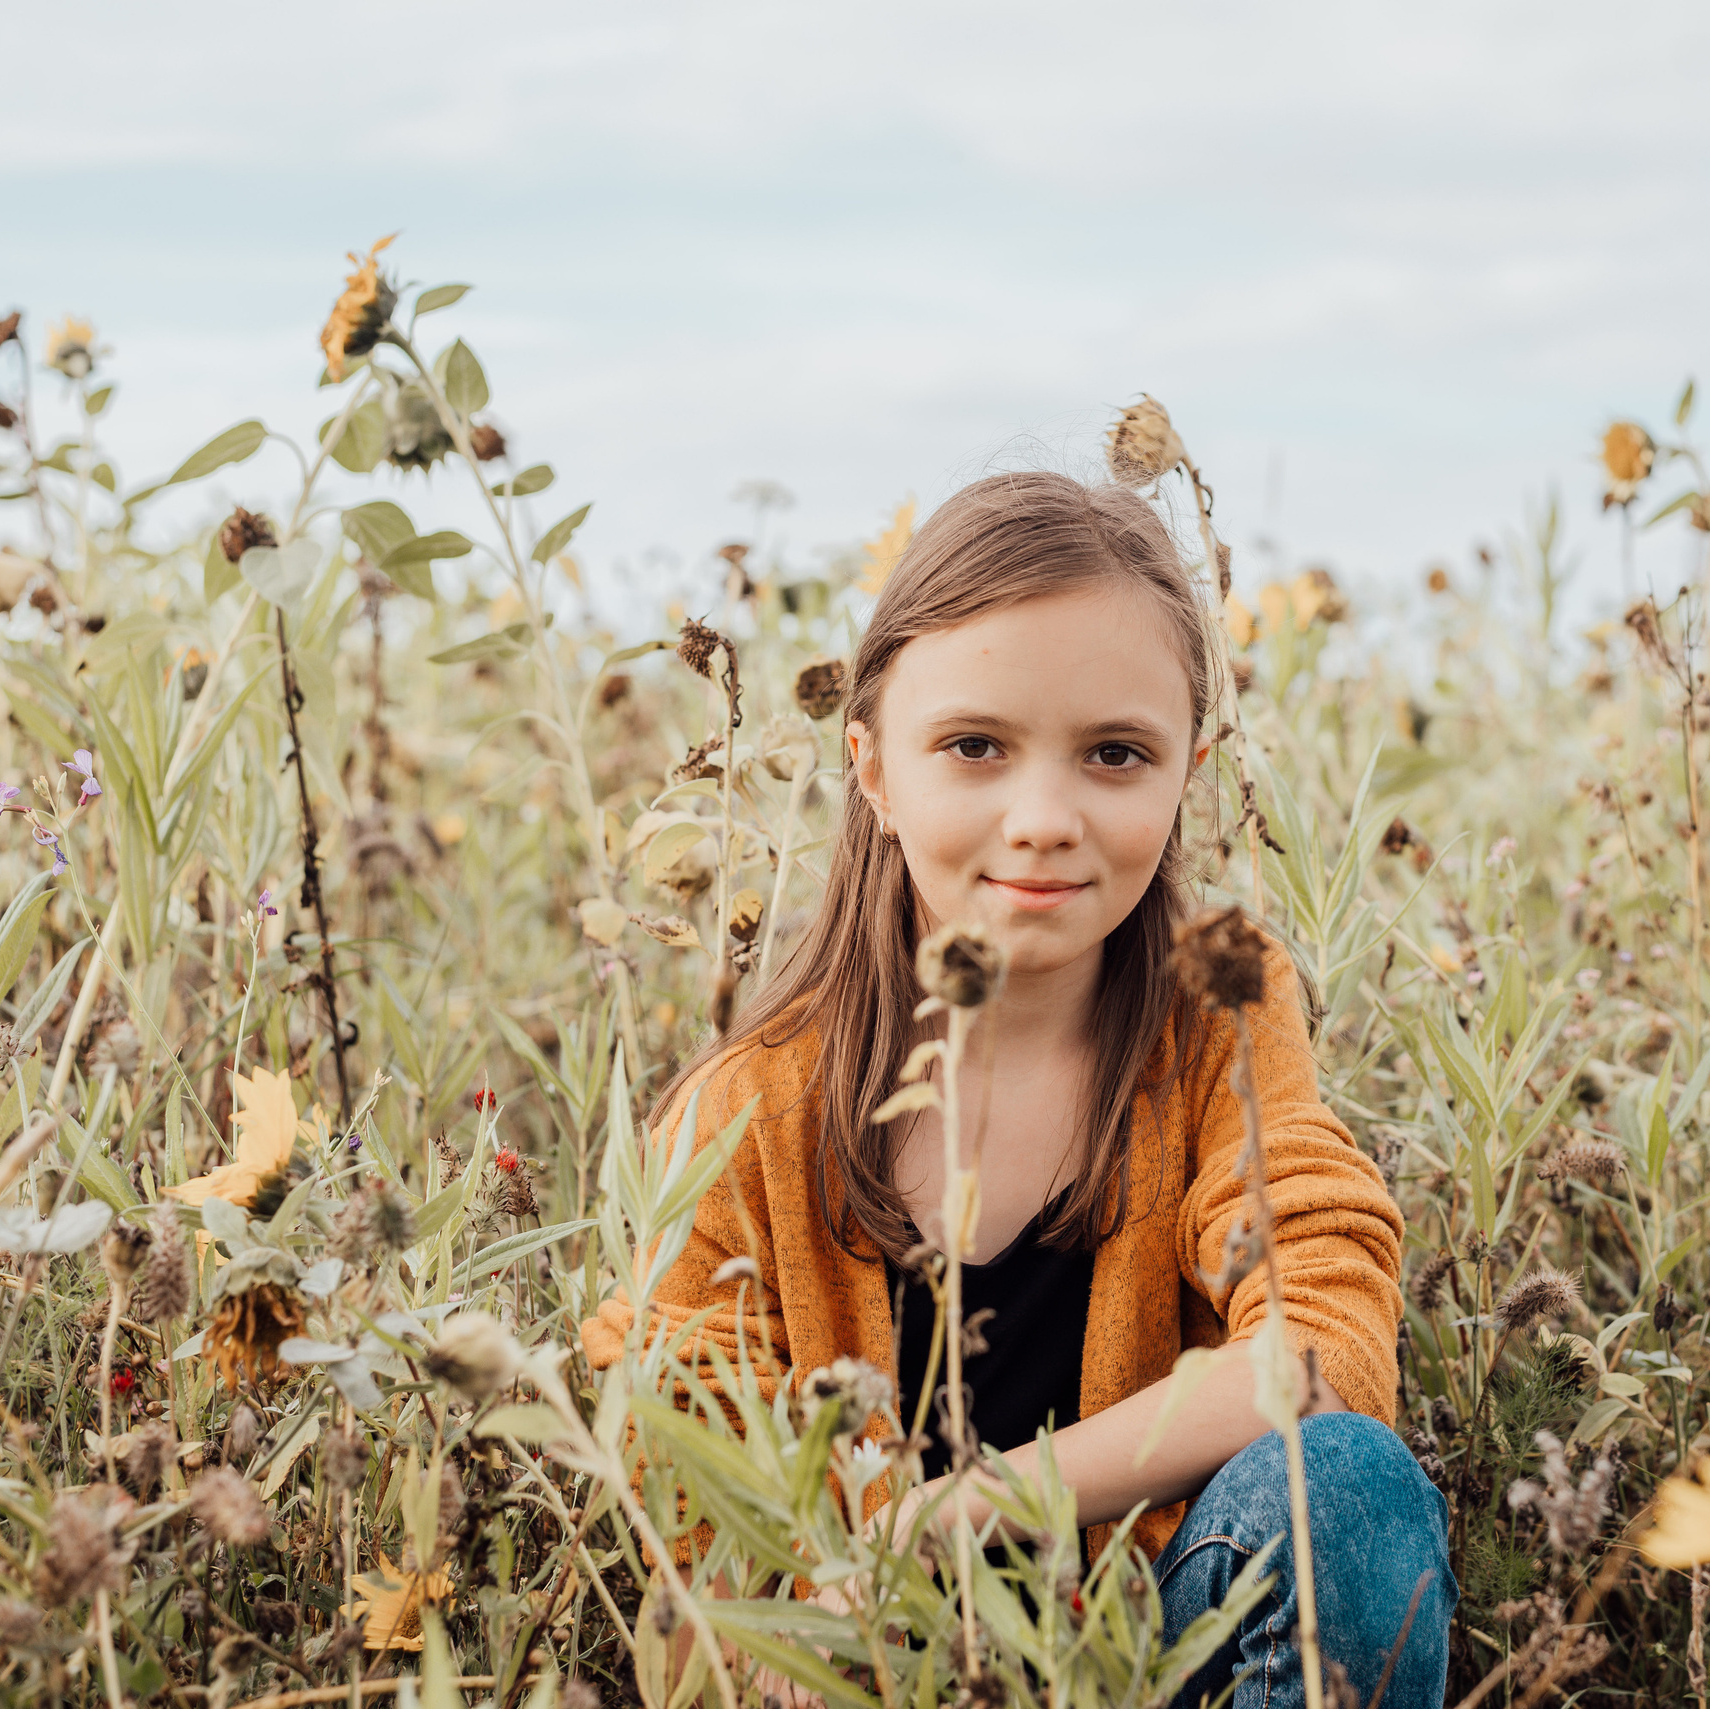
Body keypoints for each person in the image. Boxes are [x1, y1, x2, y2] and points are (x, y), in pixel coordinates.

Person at [582, 469, 1449, 1709]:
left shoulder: (1219, 1021)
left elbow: (1321, 1349)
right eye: (975, 746)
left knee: (1343, 1491)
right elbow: (693, 1484)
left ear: (1186, 772)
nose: (1042, 817)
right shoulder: (746, 1109)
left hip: (1154, 1651)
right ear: (871, 768)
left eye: (1114, 753)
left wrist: (973, 1502)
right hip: (870, 1668)